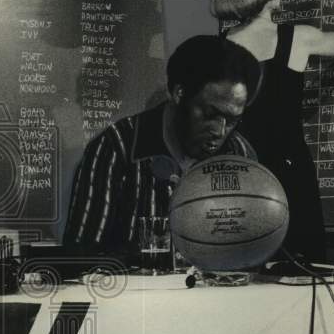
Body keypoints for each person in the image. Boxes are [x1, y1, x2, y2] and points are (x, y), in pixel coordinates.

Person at [213, 0, 334, 262]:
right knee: (304, 268)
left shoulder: (218, 48)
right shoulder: (298, 38)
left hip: (242, 173)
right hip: (291, 171)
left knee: (249, 270)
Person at [64, 35, 259, 252]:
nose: (219, 131)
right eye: (209, 114)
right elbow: (82, 256)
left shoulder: (239, 155)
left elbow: (250, 250)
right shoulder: (116, 147)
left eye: (232, 120)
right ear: (179, 93)